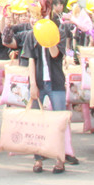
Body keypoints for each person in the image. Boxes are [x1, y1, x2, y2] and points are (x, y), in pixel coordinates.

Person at [21, 16, 78, 174]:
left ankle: (60, 158)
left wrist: (48, 37)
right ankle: (38, 159)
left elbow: (55, 55)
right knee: (36, 121)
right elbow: (30, 60)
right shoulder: (31, 36)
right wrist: (32, 84)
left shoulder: (58, 33)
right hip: (38, 83)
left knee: (59, 121)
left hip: (56, 82)